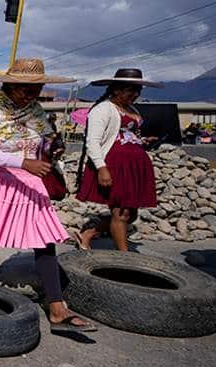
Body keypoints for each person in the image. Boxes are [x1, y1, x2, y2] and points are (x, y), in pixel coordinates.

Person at [0, 58, 95, 333]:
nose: (32, 95)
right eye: (26, 89)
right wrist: (24, 162)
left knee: (44, 239)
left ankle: (57, 307)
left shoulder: (35, 109)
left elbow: (44, 138)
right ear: (10, 85)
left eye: (37, 89)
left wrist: (51, 148)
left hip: (30, 182)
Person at [74, 69, 162, 251]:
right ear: (116, 90)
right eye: (131, 90)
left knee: (131, 214)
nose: (136, 94)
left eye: (138, 90)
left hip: (133, 167)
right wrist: (102, 168)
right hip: (115, 166)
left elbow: (126, 135)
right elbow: (93, 142)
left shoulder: (131, 109)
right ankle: (124, 256)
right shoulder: (103, 109)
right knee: (121, 212)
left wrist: (142, 142)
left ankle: (89, 233)